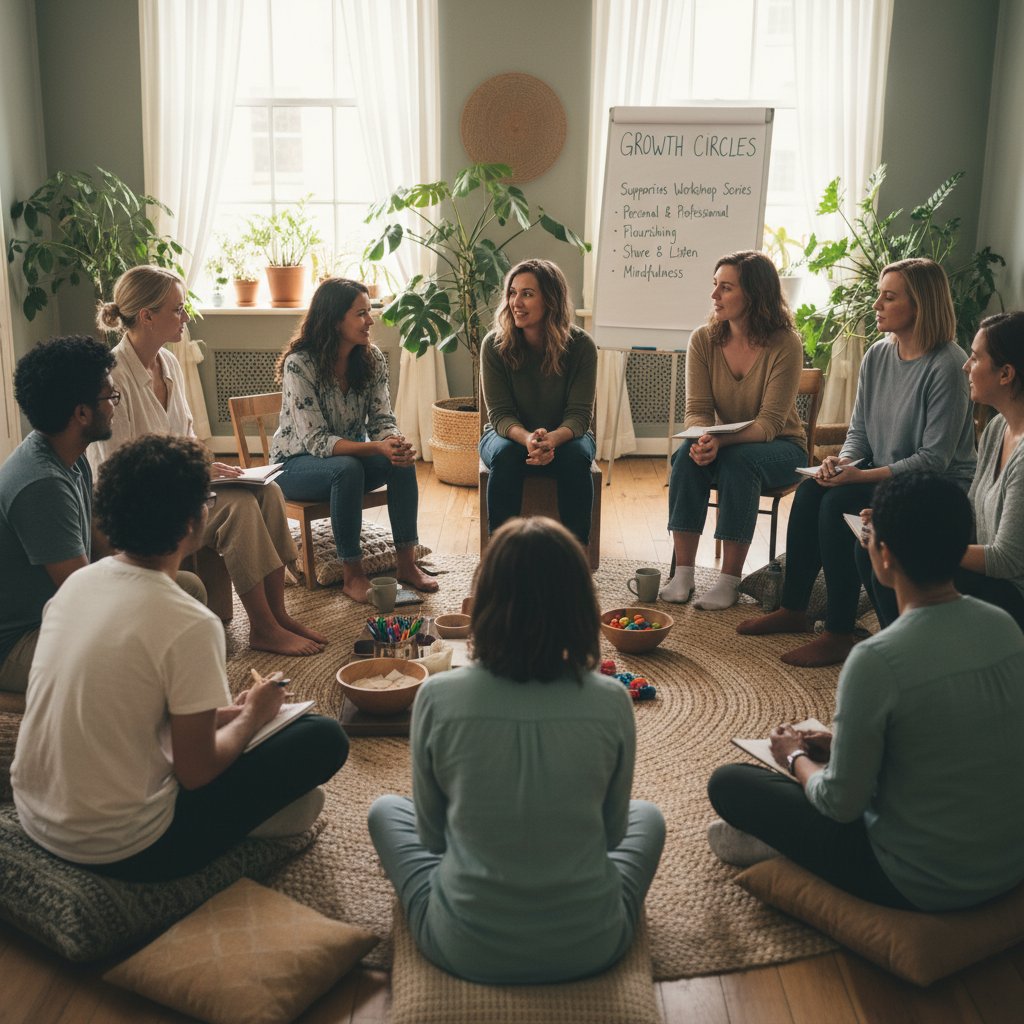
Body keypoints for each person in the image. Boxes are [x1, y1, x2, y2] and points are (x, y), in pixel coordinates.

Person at [11, 435, 348, 882]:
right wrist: (254, 715)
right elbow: (197, 771)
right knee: (324, 739)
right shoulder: (190, 623)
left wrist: (229, 713)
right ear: (194, 521)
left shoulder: (77, 584)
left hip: (33, 814)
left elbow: (124, 706)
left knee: (293, 778)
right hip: (124, 849)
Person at [707, 473, 1024, 911]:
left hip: (923, 881)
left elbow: (839, 804)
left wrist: (793, 756)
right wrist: (839, 745)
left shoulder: (876, 660)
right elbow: (950, 734)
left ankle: (783, 848)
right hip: (1009, 863)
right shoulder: (1004, 626)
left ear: (884, 554)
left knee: (729, 783)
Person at [368, 517, 665, 984]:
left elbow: (432, 839)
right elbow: (611, 837)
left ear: (482, 606)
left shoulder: (436, 696)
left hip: (461, 946)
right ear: (582, 609)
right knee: (648, 817)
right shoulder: (611, 701)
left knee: (385, 810)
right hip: (593, 943)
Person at [737, 257, 976, 666]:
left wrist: (858, 477)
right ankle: (794, 608)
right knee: (812, 491)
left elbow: (934, 460)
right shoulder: (878, 355)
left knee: (837, 503)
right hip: (884, 476)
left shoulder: (948, 365)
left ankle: (839, 631)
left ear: (920, 305)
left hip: (934, 488)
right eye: (879, 295)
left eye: (889, 297)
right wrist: (841, 462)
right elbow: (859, 430)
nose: (877, 305)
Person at [91, 265, 326, 657]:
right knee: (239, 508)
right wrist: (195, 474)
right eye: (177, 309)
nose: (186, 317)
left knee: (268, 493)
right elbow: (117, 470)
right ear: (147, 316)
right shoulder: (114, 378)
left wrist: (206, 467)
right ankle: (263, 628)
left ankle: (279, 616)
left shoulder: (168, 365)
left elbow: (185, 438)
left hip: (180, 485)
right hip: (141, 502)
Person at [270, 277, 436, 603]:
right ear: (335, 320)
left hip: (348, 464)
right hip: (293, 467)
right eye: (361, 313)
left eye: (369, 311)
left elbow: (382, 420)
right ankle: (353, 575)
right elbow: (316, 441)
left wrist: (393, 443)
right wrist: (376, 447)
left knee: (399, 460)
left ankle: (406, 564)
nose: (370, 320)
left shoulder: (371, 359)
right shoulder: (299, 364)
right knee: (346, 468)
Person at [858, 311, 1024, 631]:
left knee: (904, 563)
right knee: (872, 547)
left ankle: (915, 648)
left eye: (975, 358)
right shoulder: (997, 428)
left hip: (1012, 594)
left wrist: (916, 545)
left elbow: (1007, 560)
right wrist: (901, 524)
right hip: (988, 576)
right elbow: (970, 514)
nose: (966, 366)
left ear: (1005, 374)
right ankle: (908, 645)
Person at [661, 251, 806, 610]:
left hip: (783, 448)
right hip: (729, 445)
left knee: (739, 462)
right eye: (715, 285)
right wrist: (702, 439)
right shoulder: (703, 339)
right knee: (686, 456)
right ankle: (683, 575)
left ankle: (729, 582)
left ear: (755, 294)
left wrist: (720, 441)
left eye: (726, 288)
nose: (714, 295)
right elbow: (697, 411)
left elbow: (770, 424)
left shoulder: (786, 343)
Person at [0, 337, 117, 696]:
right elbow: (81, 594)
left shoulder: (72, 454)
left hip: (59, 614)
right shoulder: (42, 484)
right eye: (110, 397)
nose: (114, 406)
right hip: (20, 641)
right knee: (136, 651)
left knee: (182, 589)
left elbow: (103, 546)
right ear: (82, 414)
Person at [479, 259, 598, 548]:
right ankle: (501, 556)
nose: (516, 302)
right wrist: (528, 438)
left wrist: (552, 440)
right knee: (506, 455)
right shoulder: (493, 345)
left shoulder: (581, 346)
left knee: (576, 457)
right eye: (512, 293)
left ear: (551, 300)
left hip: (566, 437)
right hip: (507, 435)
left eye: (527, 294)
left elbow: (580, 416)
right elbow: (500, 415)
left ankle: (575, 557)